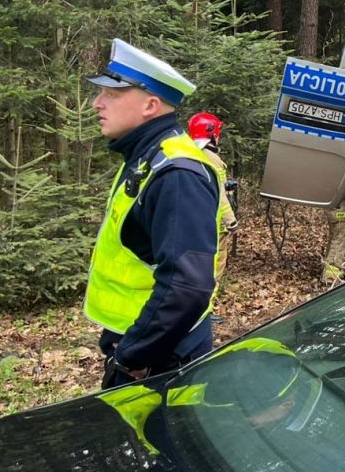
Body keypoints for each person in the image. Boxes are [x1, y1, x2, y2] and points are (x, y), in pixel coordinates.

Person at [86, 39, 224, 388]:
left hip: (159, 360)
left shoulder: (176, 174)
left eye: (112, 95)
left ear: (150, 105)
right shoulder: (145, 158)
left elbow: (188, 285)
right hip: (147, 348)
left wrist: (133, 356)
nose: (97, 103)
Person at [187, 112, 239, 281]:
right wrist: (231, 222)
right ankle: (207, 302)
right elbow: (219, 195)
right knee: (215, 266)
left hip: (192, 221)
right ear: (212, 134)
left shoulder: (188, 153)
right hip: (213, 225)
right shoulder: (212, 159)